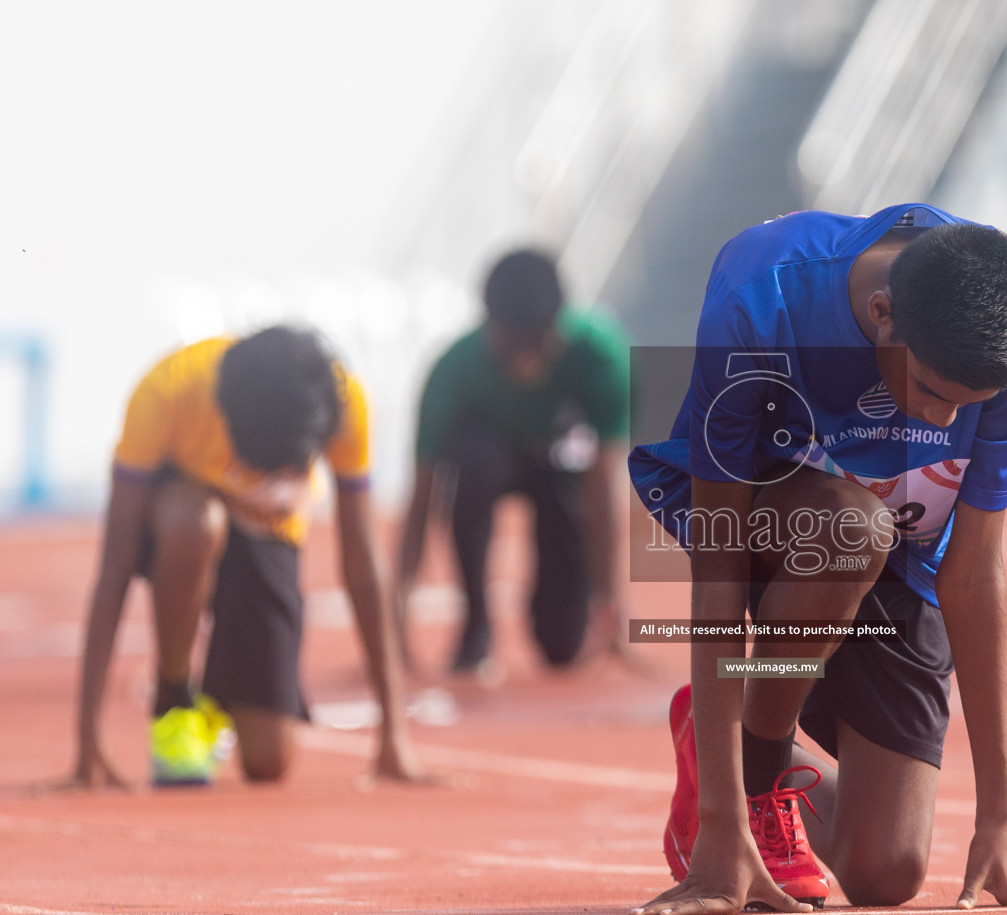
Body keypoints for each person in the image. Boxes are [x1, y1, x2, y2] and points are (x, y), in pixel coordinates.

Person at [628, 204, 1007, 915]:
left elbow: (972, 571)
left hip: (903, 543)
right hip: (771, 514)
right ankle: (752, 790)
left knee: (887, 873)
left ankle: (717, 737)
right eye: (934, 392)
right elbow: (719, 565)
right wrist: (723, 825)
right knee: (854, 527)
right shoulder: (763, 299)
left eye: (967, 407)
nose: (942, 424)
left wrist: (998, 822)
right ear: (882, 312)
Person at [71, 325, 424, 787]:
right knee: (195, 524)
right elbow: (115, 563)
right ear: (226, 419)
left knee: (269, 762)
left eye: (290, 468)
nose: (270, 477)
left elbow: (362, 559)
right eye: (261, 466)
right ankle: (173, 700)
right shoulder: (168, 392)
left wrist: (393, 733)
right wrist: (87, 741)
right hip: (180, 522)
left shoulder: (342, 403)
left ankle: (216, 701)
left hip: (268, 532)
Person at [395, 249, 629, 677]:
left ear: (559, 323)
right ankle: (475, 625)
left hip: (560, 468)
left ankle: (557, 611)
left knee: (563, 646)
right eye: (511, 343)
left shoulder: (600, 357)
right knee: (476, 460)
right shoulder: (453, 371)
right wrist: (398, 607)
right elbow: (423, 496)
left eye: (536, 340)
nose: (524, 359)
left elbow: (603, 486)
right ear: (488, 325)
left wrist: (610, 604)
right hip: (487, 464)